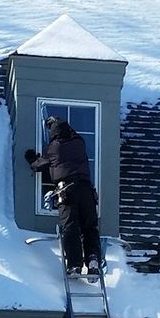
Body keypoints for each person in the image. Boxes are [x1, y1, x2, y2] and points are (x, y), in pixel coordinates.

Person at [24, 116, 101, 275]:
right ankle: (93, 259)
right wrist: (57, 121)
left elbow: (40, 165)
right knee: (89, 228)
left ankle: (75, 264)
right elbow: (72, 135)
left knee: (70, 228)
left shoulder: (54, 148)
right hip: (87, 192)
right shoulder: (80, 143)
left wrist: (32, 159)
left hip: (68, 192)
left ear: (54, 134)